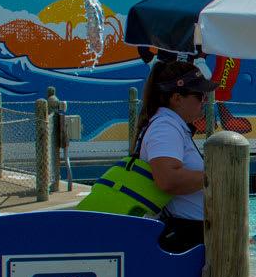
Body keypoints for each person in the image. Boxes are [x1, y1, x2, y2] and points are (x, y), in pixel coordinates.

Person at [78, 59, 214, 252]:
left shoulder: (170, 125)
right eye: (200, 95)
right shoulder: (165, 127)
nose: (204, 101)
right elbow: (167, 179)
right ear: (177, 98)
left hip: (189, 231)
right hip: (185, 235)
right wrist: (217, 175)